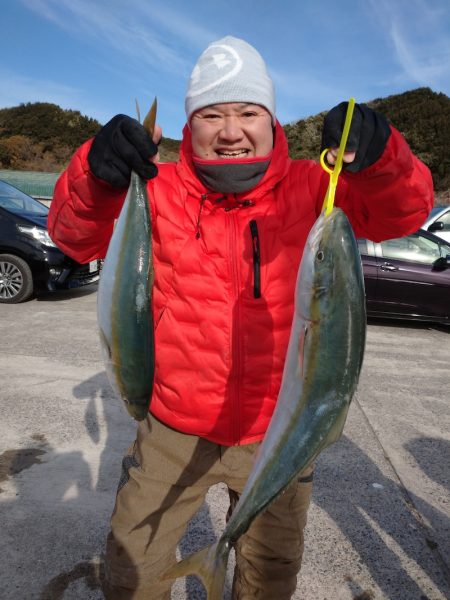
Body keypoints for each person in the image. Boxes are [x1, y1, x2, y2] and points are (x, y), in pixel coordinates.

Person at [48, 36, 433, 600]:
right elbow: (74, 239)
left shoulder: (316, 187)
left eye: (247, 112)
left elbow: (404, 210)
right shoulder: (156, 191)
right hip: (172, 426)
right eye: (211, 114)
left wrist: (383, 158)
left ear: (271, 117)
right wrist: (94, 174)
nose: (230, 131)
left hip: (277, 429)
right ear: (190, 123)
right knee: (131, 572)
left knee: (270, 577)